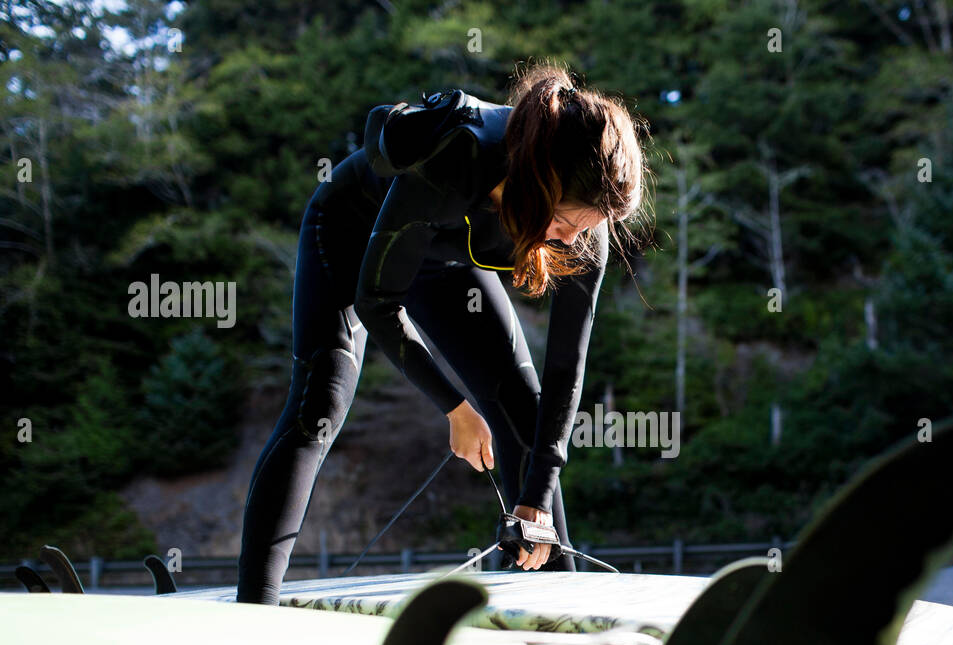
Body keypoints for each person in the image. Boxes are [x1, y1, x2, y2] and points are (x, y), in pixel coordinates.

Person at [236, 64, 648, 604]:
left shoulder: (588, 222)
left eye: (587, 228)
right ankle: (255, 605)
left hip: (446, 261)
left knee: (522, 409)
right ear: (541, 180)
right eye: (566, 223)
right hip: (355, 229)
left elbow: (567, 367)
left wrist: (538, 498)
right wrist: (454, 408)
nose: (573, 239)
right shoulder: (462, 154)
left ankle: (556, 607)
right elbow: (376, 301)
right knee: (321, 402)